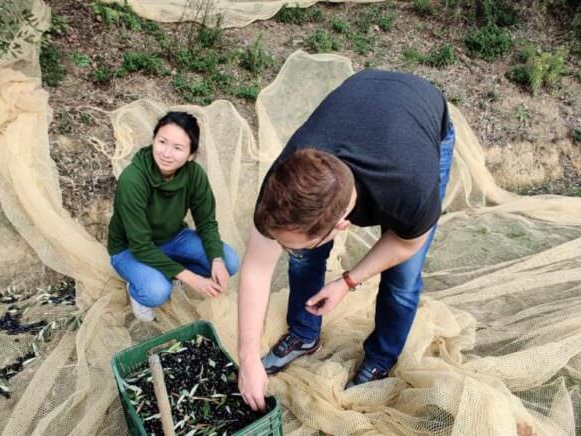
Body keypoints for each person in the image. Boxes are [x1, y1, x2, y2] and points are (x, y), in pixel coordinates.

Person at [236, 69, 455, 411]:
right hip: (366, 94)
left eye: (291, 244)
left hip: (421, 116)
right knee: (305, 257)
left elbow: (406, 244)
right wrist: (247, 357)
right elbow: (256, 269)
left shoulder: (410, 188)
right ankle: (304, 334)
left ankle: (380, 358)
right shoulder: (283, 183)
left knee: (402, 280)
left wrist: (347, 281)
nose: (284, 250)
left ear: (340, 226)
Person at [107, 111, 239, 322]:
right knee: (157, 291)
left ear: (191, 154)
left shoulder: (194, 174)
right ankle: (139, 289)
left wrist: (216, 259)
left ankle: (168, 270)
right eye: (162, 142)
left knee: (229, 261)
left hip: (174, 238)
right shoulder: (132, 180)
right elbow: (140, 245)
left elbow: (207, 222)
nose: (167, 153)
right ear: (153, 140)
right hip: (130, 248)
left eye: (178, 148)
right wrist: (192, 279)